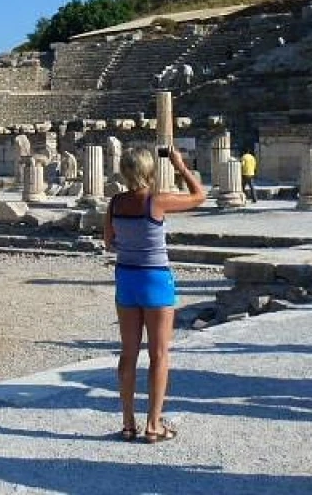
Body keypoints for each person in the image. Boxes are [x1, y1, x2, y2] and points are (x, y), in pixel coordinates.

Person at [103, 146, 205, 443]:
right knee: (159, 354)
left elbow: (109, 241)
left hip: (127, 277)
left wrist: (131, 244)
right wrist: (180, 166)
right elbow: (199, 196)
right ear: (151, 171)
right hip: (155, 278)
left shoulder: (115, 203)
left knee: (128, 353)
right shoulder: (156, 201)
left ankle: (127, 423)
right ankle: (153, 424)